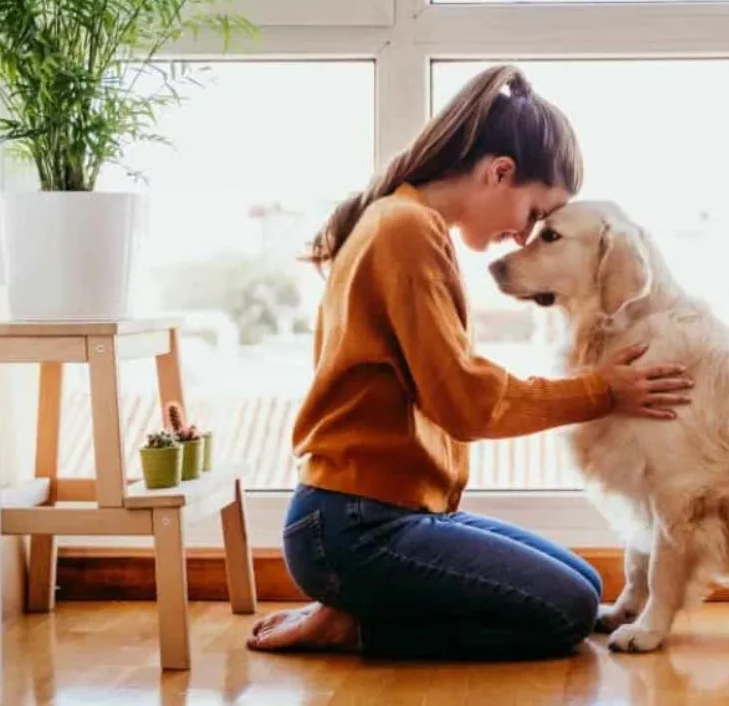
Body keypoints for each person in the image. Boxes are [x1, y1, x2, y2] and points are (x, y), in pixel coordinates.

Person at [246, 64, 693, 661]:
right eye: (535, 215)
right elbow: (466, 402)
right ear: (499, 171)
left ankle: (360, 603)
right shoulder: (405, 230)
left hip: (383, 514)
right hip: (352, 527)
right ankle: (357, 625)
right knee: (563, 612)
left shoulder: (403, 220)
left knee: (585, 590)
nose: (522, 237)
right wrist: (601, 391)